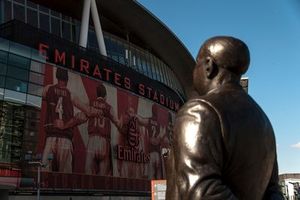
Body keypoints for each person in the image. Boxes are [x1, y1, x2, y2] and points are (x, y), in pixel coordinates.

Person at [166, 36, 284, 199]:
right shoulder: (263, 122)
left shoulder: (200, 111)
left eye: (196, 64)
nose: (194, 72)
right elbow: (273, 192)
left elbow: (201, 192)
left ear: (208, 66)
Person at [42, 68, 90, 173]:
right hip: (65, 139)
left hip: (50, 137)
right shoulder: (71, 95)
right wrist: (67, 125)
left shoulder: (48, 89)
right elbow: (87, 114)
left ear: (57, 77)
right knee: (65, 176)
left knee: (44, 175)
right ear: (67, 80)